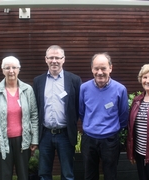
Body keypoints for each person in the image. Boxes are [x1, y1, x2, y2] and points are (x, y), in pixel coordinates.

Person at [0, 56, 39, 180]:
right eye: (7, 68)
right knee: (4, 176)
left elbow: (34, 116)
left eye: (14, 67)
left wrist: (34, 139)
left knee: (24, 175)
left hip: (23, 140)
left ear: (19, 69)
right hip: (2, 141)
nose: (11, 71)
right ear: (2, 70)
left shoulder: (27, 90)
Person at [33, 45, 82, 180]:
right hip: (45, 134)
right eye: (51, 58)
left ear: (63, 59)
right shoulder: (38, 81)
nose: (54, 61)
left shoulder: (74, 80)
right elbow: (36, 107)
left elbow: (79, 106)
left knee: (67, 173)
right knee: (44, 173)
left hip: (65, 134)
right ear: (46, 59)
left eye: (57, 58)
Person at [79, 52, 128, 180]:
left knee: (110, 175)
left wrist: (110, 129)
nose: (100, 72)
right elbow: (82, 112)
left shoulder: (120, 89)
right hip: (89, 139)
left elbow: (123, 116)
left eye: (103, 68)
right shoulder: (84, 88)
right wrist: (91, 125)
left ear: (110, 68)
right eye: (96, 68)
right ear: (92, 69)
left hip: (110, 140)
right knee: (89, 175)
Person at [127, 64, 149, 180]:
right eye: (145, 77)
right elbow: (131, 128)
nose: (147, 81)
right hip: (140, 153)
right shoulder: (137, 101)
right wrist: (132, 152)